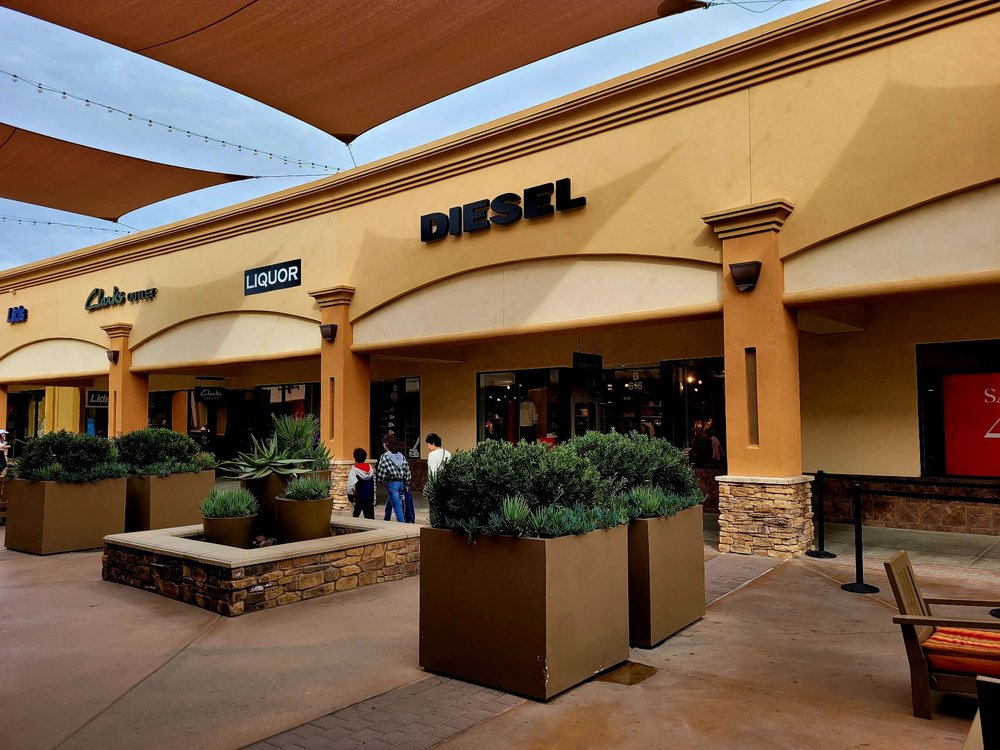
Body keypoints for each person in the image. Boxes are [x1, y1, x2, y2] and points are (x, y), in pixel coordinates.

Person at [376, 433, 411, 522]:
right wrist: (406, 484)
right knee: (390, 503)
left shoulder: (385, 456)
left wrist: (382, 481)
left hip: (391, 483)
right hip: (401, 483)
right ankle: (386, 520)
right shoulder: (401, 456)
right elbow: (407, 471)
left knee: (397, 508)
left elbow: (381, 471)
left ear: (386, 444)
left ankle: (402, 526)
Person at [346, 447, 375, 519]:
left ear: (355, 458)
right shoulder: (370, 468)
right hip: (369, 497)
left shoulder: (354, 470)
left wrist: (351, 497)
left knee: (355, 517)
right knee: (370, 518)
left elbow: (350, 486)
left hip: (358, 497)